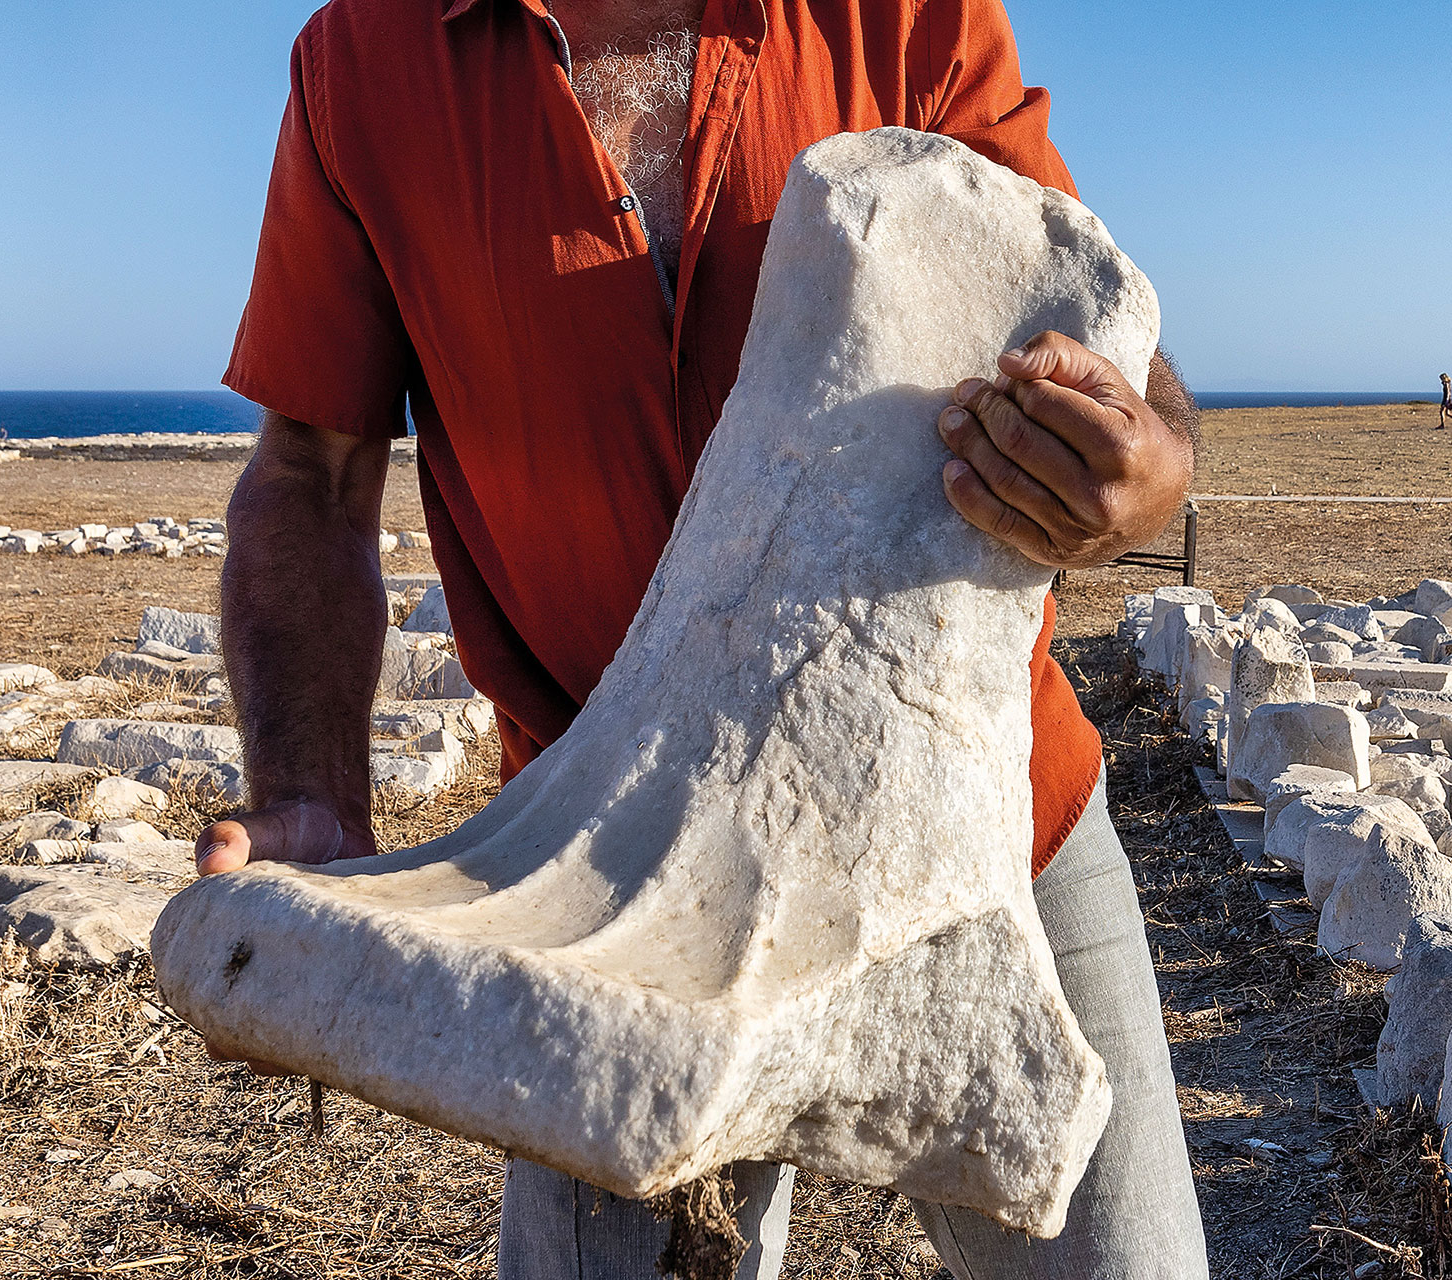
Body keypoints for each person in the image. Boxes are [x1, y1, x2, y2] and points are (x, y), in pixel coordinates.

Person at [190, 1, 1209, 1277]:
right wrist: (309, 790)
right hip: (600, 878)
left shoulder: (902, 15)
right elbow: (312, 473)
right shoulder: (363, 63)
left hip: (993, 820)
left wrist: (1152, 469)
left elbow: (1083, 303)